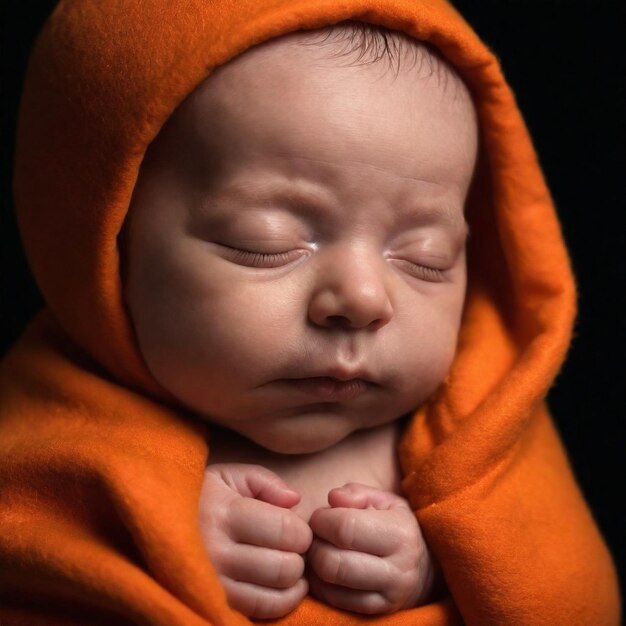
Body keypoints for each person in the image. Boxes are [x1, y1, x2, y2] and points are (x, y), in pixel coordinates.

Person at [0, 1, 620, 625]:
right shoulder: (50, 435)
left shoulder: (477, 430)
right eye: (265, 243)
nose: (362, 299)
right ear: (101, 239)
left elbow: (571, 599)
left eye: (425, 258)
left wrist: (441, 567)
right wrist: (152, 537)